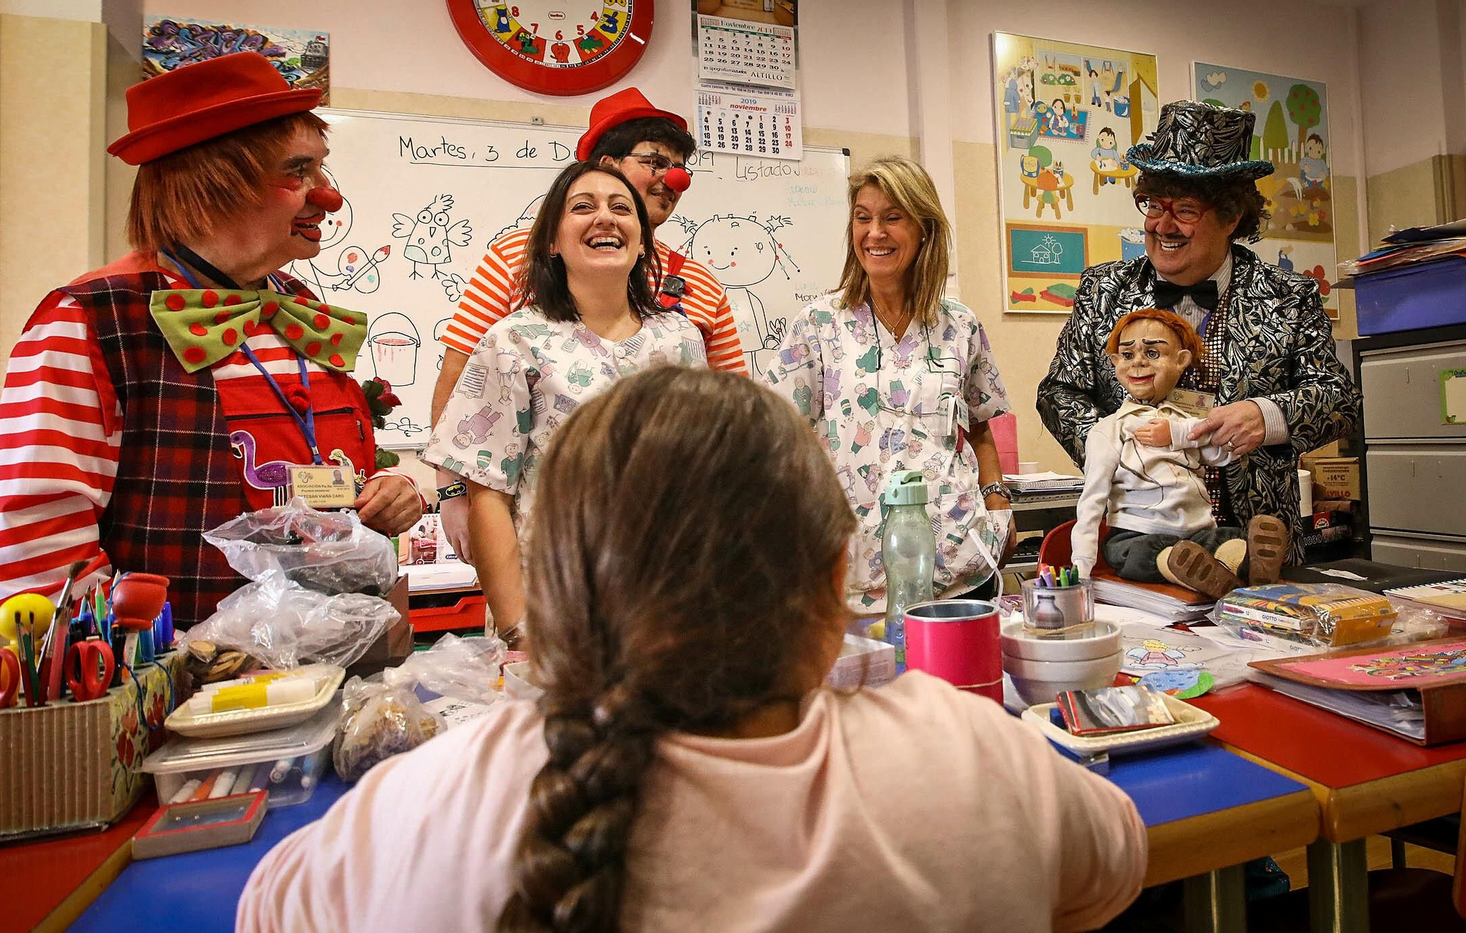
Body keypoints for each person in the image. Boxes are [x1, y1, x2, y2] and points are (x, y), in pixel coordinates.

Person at [238, 367, 1148, 933]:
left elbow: (269, 909)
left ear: (548, 594)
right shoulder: (973, 752)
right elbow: (1112, 862)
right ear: (838, 575)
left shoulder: (435, 802)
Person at [0, 53, 424, 625]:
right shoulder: (89, 318)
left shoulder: (297, 305)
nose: (328, 195)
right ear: (210, 183)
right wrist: (152, 661)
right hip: (183, 694)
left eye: (321, 170)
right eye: (299, 171)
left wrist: (389, 492)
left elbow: (327, 476)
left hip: (331, 667)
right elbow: (31, 548)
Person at [1037, 101, 1361, 561]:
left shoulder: (1290, 295)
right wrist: (1118, 446)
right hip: (1138, 530)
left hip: (1256, 542)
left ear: (1231, 217)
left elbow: (1340, 400)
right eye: (1153, 205)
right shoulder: (1102, 290)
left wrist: (1267, 415)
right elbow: (1058, 392)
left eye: (1185, 210)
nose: (1161, 226)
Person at [432, 88, 746, 560]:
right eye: (655, 162)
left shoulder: (702, 286)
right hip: (545, 547)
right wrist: (453, 495)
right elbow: (462, 379)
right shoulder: (516, 260)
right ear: (606, 163)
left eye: (680, 166)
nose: (673, 179)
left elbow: (732, 413)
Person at [421, 161, 705, 642]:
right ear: (552, 242)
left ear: (641, 243)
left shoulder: (680, 339)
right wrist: (517, 629)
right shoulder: (514, 340)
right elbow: (488, 494)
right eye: (582, 208)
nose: (605, 219)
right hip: (551, 605)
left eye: (621, 209)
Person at [761, 157, 1014, 615]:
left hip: (958, 560)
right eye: (863, 218)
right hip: (851, 567)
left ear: (924, 229)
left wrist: (999, 506)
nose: (874, 233)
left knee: (956, 685)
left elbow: (979, 427)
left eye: (892, 217)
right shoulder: (817, 326)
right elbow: (779, 440)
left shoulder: (960, 324)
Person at [1072, 309, 1288, 598]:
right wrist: (1080, 569)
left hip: (1198, 528)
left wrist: (1177, 435)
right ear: (1114, 363)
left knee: (1223, 538)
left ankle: (1249, 565)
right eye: (1127, 355)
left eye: (1152, 352)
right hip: (1138, 531)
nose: (1138, 362)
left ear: (1181, 361)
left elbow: (1220, 454)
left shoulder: (1188, 420)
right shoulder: (1108, 430)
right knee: (1142, 554)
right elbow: (1091, 502)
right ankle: (1195, 571)